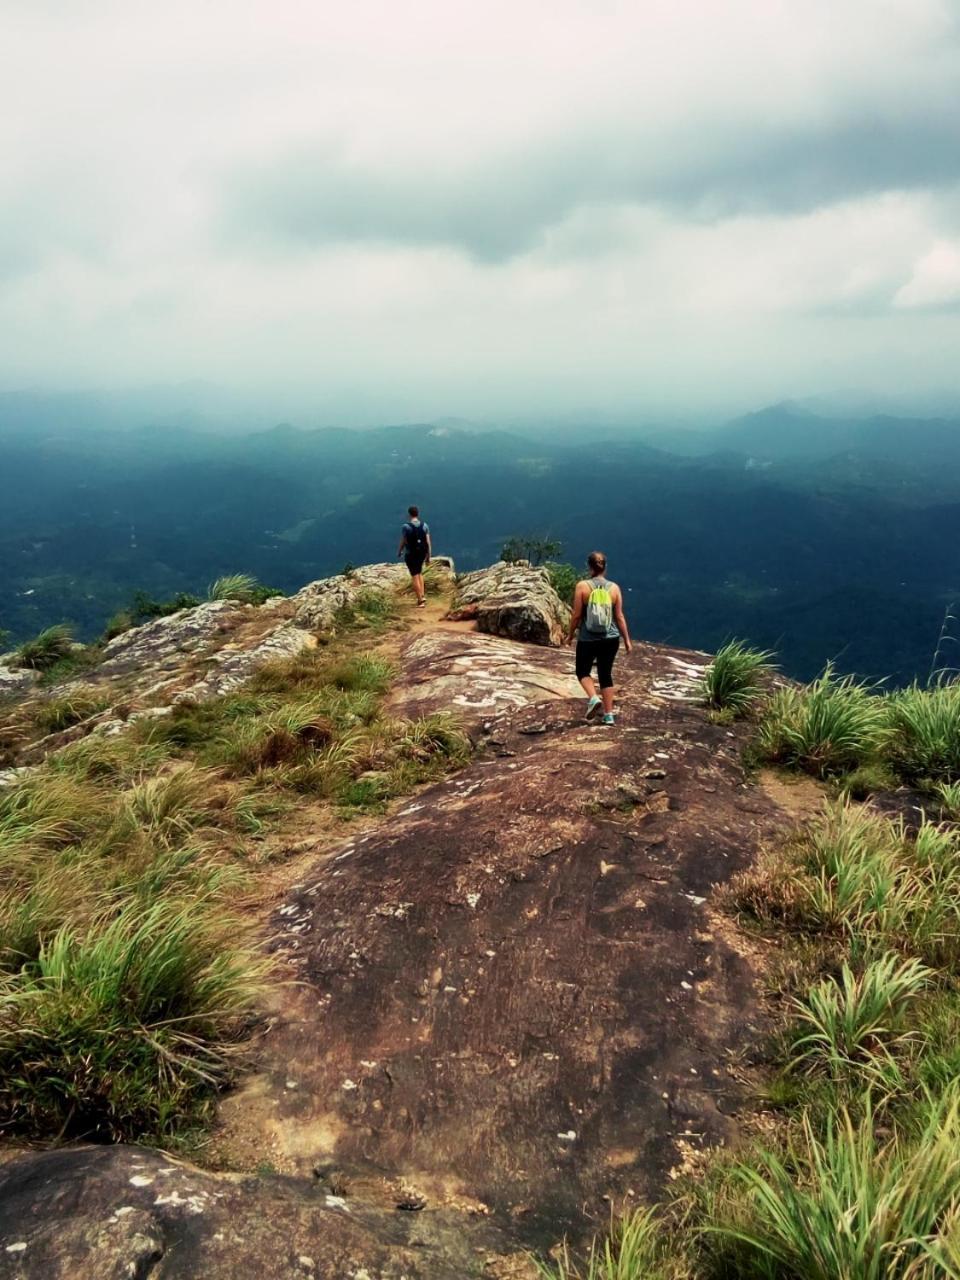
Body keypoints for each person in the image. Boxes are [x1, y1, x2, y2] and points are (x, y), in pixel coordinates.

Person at [566, 551, 632, 725]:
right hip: (610, 639)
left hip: (588, 638)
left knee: (582, 671)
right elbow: (619, 617)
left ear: (589, 567)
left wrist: (570, 635)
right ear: (605, 567)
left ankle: (594, 698)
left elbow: (577, 615)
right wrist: (627, 640)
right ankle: (609, 715)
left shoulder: (582, 587)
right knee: (605, 674)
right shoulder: (615, 588)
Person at [397, 505, 432, 607]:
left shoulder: (406, 527)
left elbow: (403, 541)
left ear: (409, 514)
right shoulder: (425, 525)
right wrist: (428, 556)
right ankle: (422, 595)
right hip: (422, 553)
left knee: (414, 576)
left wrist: (399, 551)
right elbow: (428, 542)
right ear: (418, 513)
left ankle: (420, 600)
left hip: (410, 554)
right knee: (420, 573)